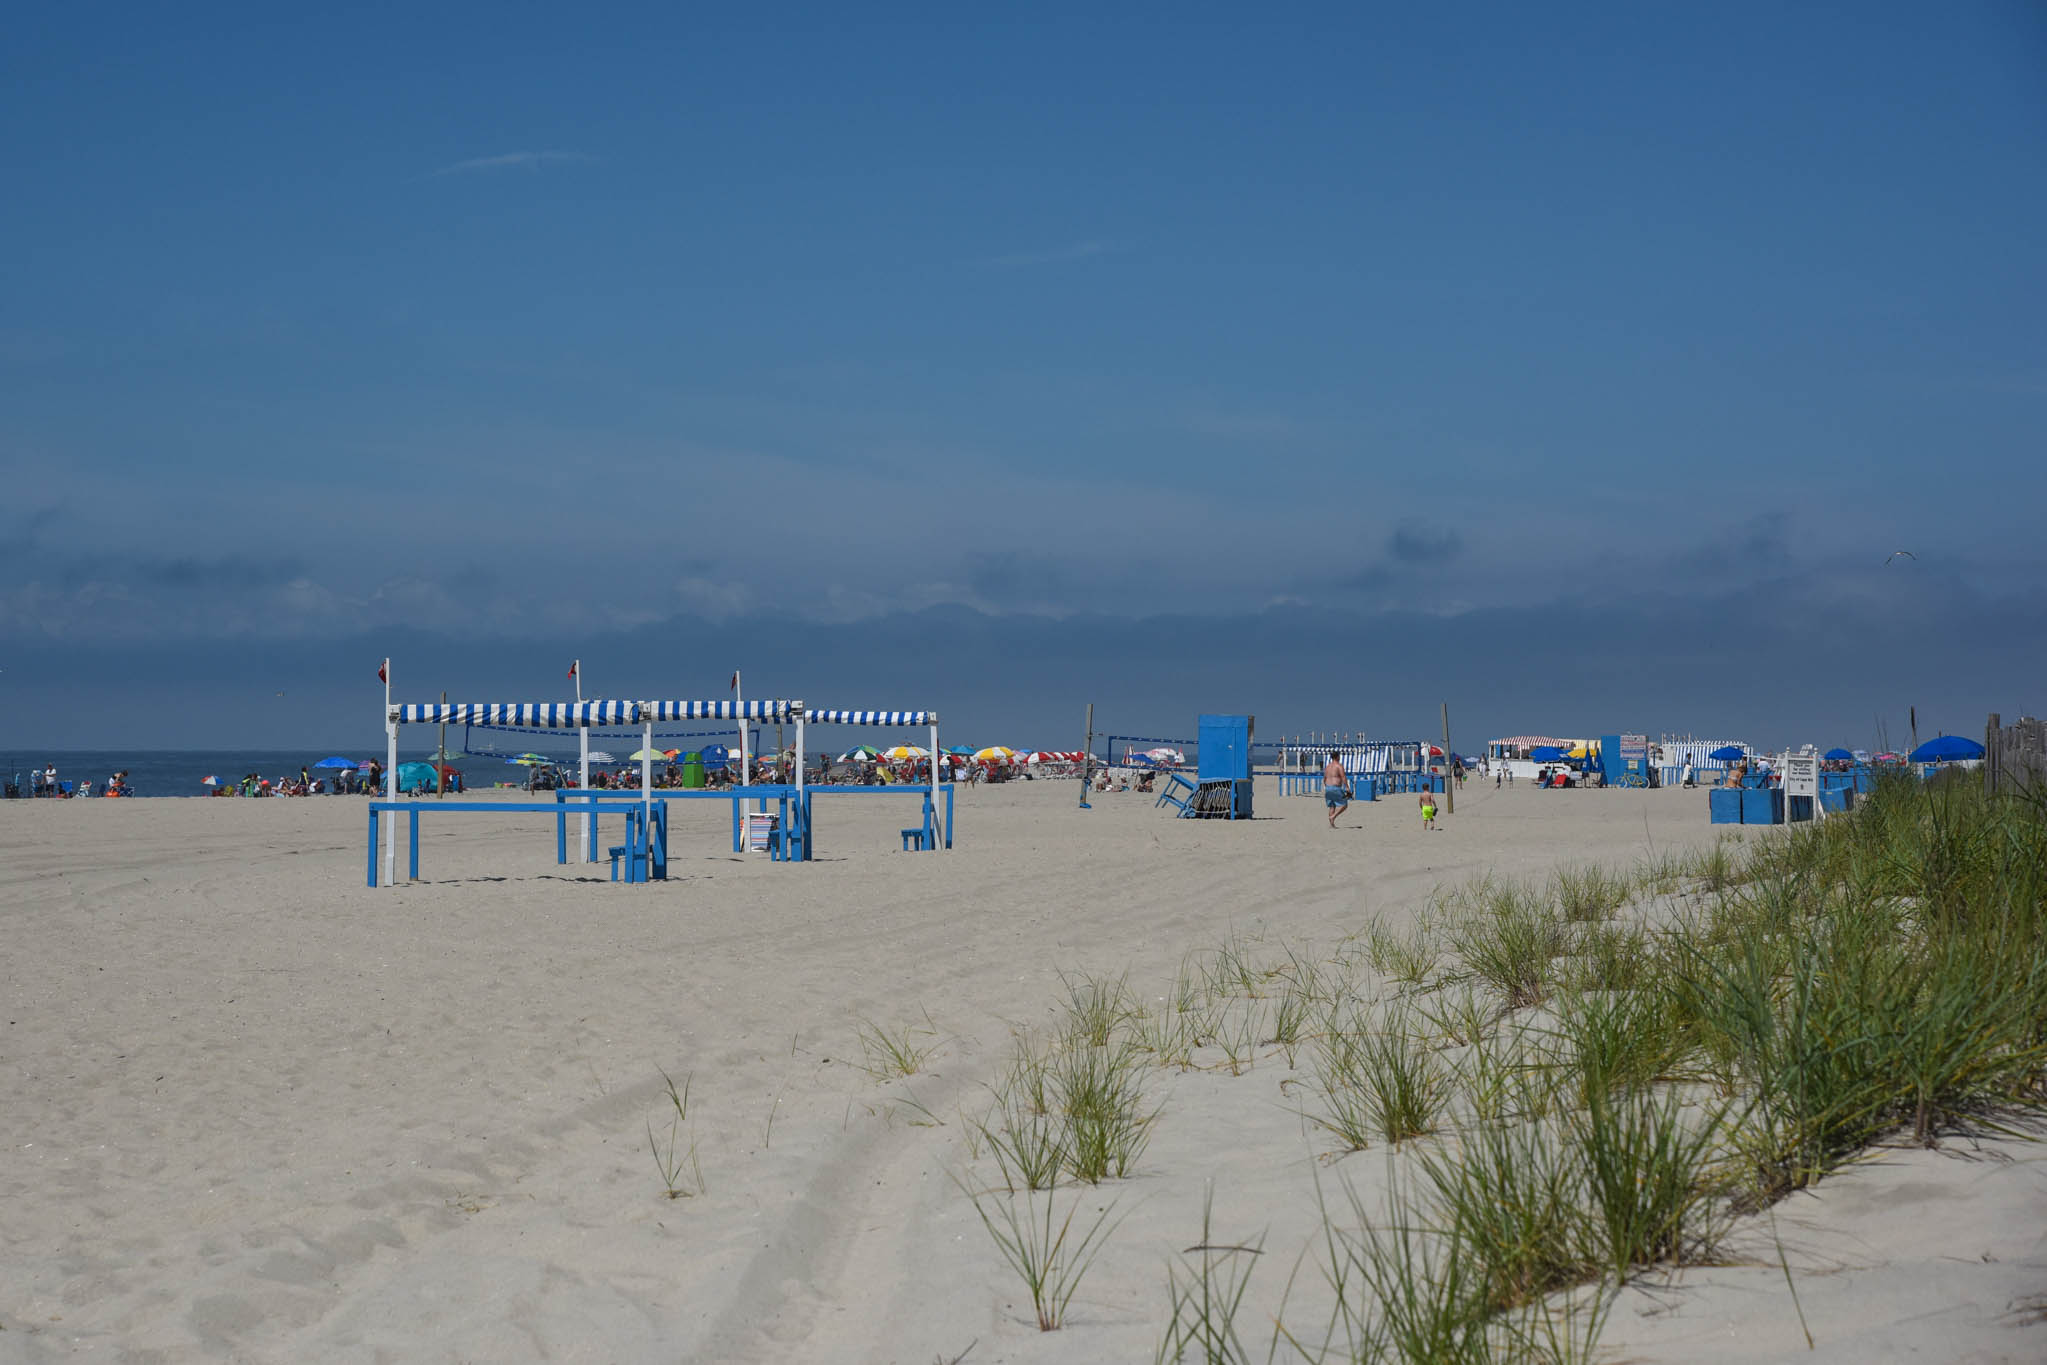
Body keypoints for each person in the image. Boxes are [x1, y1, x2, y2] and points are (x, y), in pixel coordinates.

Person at [1323, 751, 1351, 828]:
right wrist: (1347, 787)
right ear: (1337, 757)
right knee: (1344, 805)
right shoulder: (1339, 766)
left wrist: (1326, 786)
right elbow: (1343, 777)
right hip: (1335, 788)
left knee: (1332, 806)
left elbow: (1324, 778)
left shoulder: (1327, 766)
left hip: (1328, 787)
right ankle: (1333, 816)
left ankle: (1331, 824)